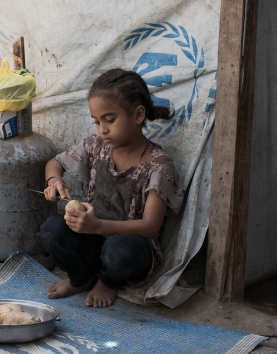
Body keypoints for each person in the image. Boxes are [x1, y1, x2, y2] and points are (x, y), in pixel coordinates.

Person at [38, 69, 183, 308]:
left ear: (137, 115)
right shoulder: (96, 146)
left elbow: (150, 226)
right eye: (96, 121)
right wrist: (54, 181)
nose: (102, 130)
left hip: (132, 247)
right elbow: (55, 163)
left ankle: (107, 281)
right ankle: (81, 279)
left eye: (110, 119)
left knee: (119, 251)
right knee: (51, 229)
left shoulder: (159, 166)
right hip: (93, 238)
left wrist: (98, 226)